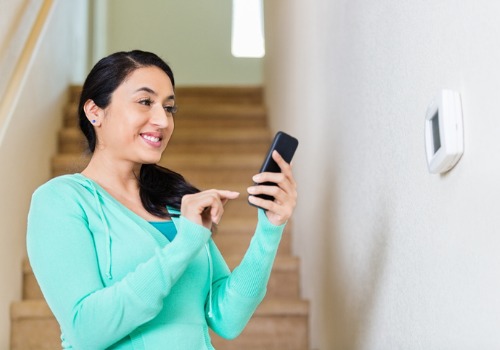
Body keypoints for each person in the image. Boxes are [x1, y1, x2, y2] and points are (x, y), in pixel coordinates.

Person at [26, 50, 297, 349]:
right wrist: (183, 245)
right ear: (95, 111)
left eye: (169, 108)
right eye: (145, 102)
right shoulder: (60, 201)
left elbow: (227, 319)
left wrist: (270, 228)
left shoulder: (175, 202)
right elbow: (86, 330)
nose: (162, 120)